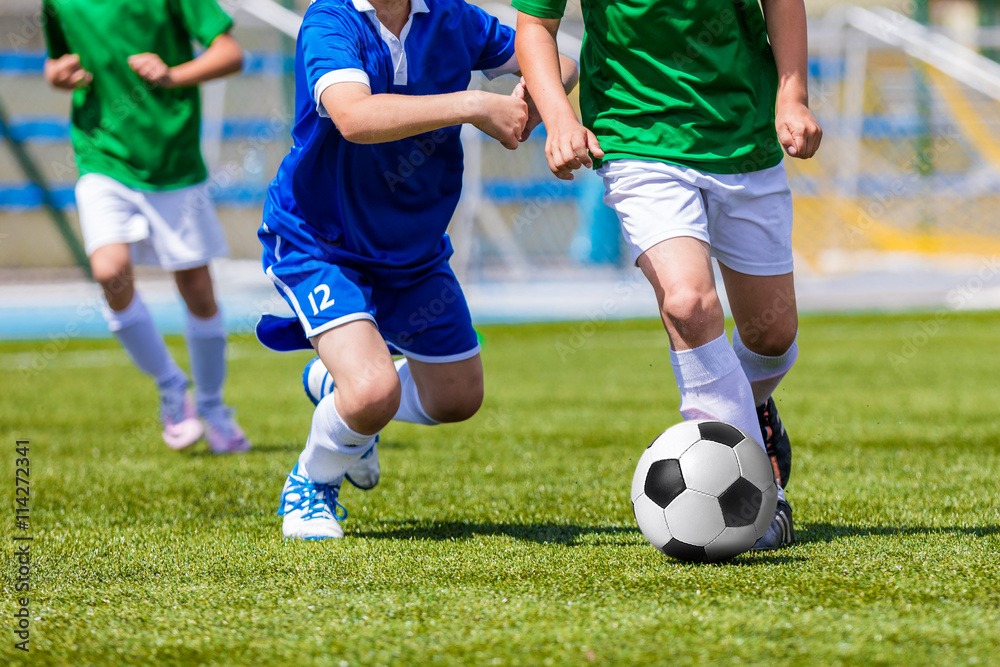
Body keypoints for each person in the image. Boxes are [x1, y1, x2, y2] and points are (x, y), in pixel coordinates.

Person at [254, 0, 578, 539]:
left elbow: (554, 62)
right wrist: (477, 104)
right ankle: (311, 483)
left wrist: (534, 98)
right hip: (322, 241)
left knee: (457, 398)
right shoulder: (331, 19)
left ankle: (340, 392)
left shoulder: (451, 16)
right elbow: (354, 117)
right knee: (373, 394)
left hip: (414, 246)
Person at [514, 0, 822, 548]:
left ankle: (745, 404)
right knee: (688, 303)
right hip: (637, 138)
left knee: (773, 337)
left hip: (743, 135)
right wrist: (561, 117)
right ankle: (761, 503)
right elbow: (536, 26)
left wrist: (791, 96)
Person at [42, 0, 250, 454]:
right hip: (102, 155)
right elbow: (56, 61)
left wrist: (172, 74)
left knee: (198, 290)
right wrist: (57, 75)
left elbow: (231, 53)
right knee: (108, 272)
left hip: (173, 162)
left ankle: (213, 406)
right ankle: (172, 386)